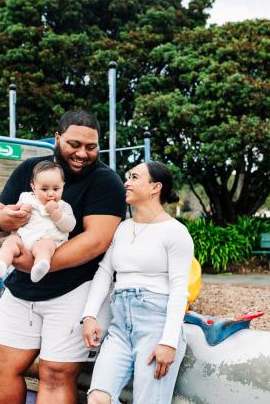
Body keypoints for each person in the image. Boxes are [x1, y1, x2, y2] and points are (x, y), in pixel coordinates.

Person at [0, 110, 126, 404]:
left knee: (56, 373)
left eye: (91, 147)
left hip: (75, 290)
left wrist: (36, 263)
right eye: (74, 144)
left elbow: (96, 240)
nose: (82, 153)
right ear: (58, 138)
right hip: (22, 288)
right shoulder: (30, 170)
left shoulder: (106, 182)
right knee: (0, 365)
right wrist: (3, 221)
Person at [81, 161, 194, 404]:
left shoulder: (175, 232)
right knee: (98, 398)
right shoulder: (123, 228)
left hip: (156, 325)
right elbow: (104, 272)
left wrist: (168, 342)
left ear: (155, 187)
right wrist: (89, 315)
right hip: (120, 326)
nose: (126, 183)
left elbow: (178, 289)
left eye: (134, 177)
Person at [0, 160, 76, 283]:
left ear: (63, 185)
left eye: (56, 189)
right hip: (23, 239)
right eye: (44, 189)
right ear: (33, 186)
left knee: (45, 247)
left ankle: (40, 266)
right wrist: (21, 210)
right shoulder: (26, 197)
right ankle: (1, 264)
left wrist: (56, 214)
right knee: (10, 242)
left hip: (46, 240)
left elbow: (70, 226)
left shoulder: (63, 206)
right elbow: (15, 212)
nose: (51, 194)